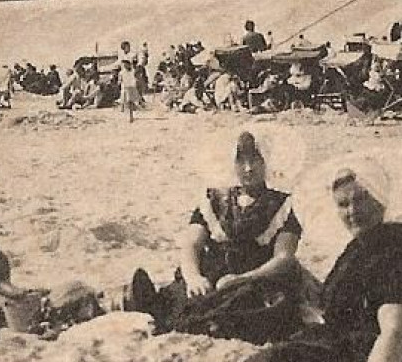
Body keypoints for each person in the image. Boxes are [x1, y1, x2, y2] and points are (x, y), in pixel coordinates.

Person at [119, 165, 402, 362]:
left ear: (382, 197)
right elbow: (352, 301)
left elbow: (399, 328)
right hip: (344, 348)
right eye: (343, 204)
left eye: (361, 200)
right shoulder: (369, 243)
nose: (352, 211)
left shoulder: (394, 247)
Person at [126, 131, 305, 343]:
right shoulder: (216, 199)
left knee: (245, 308)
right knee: (187, 296)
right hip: (212, 272)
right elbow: (192, 243)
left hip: (256, 276)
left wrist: (241, 279)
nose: (248, 168)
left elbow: (283, 258)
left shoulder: (281, 204)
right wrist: (193, 277)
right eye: (241, 161)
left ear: (268, 162)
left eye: (255, 160)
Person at [118, 40, 141, 122]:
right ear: (123, 48)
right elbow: (120, 65)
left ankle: (131, 116)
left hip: (130, 75)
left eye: (129, 46)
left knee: (130, 97)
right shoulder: (121, 56)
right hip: (124, 76)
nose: (128, 48)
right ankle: (128, 114)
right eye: (127, 46)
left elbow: (135, 64)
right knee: (126, 98)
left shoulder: (132, 55)